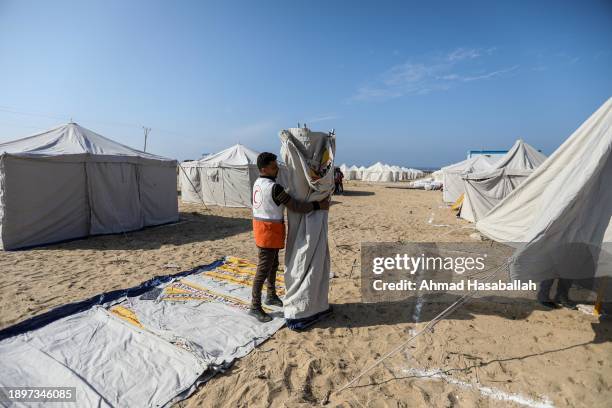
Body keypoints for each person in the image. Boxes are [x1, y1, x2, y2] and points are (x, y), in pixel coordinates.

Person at [249, 152, 330, 322]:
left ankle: (270, 295)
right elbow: (296, 206)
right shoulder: (274, 188)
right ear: (264, 169)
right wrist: (317, 204)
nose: (277, 169)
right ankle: (254, 306)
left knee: (273, 264)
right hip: (268, 231)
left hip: (264, 228)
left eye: (276, 165)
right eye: (273, 167)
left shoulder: (258, 182)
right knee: (263, 268)